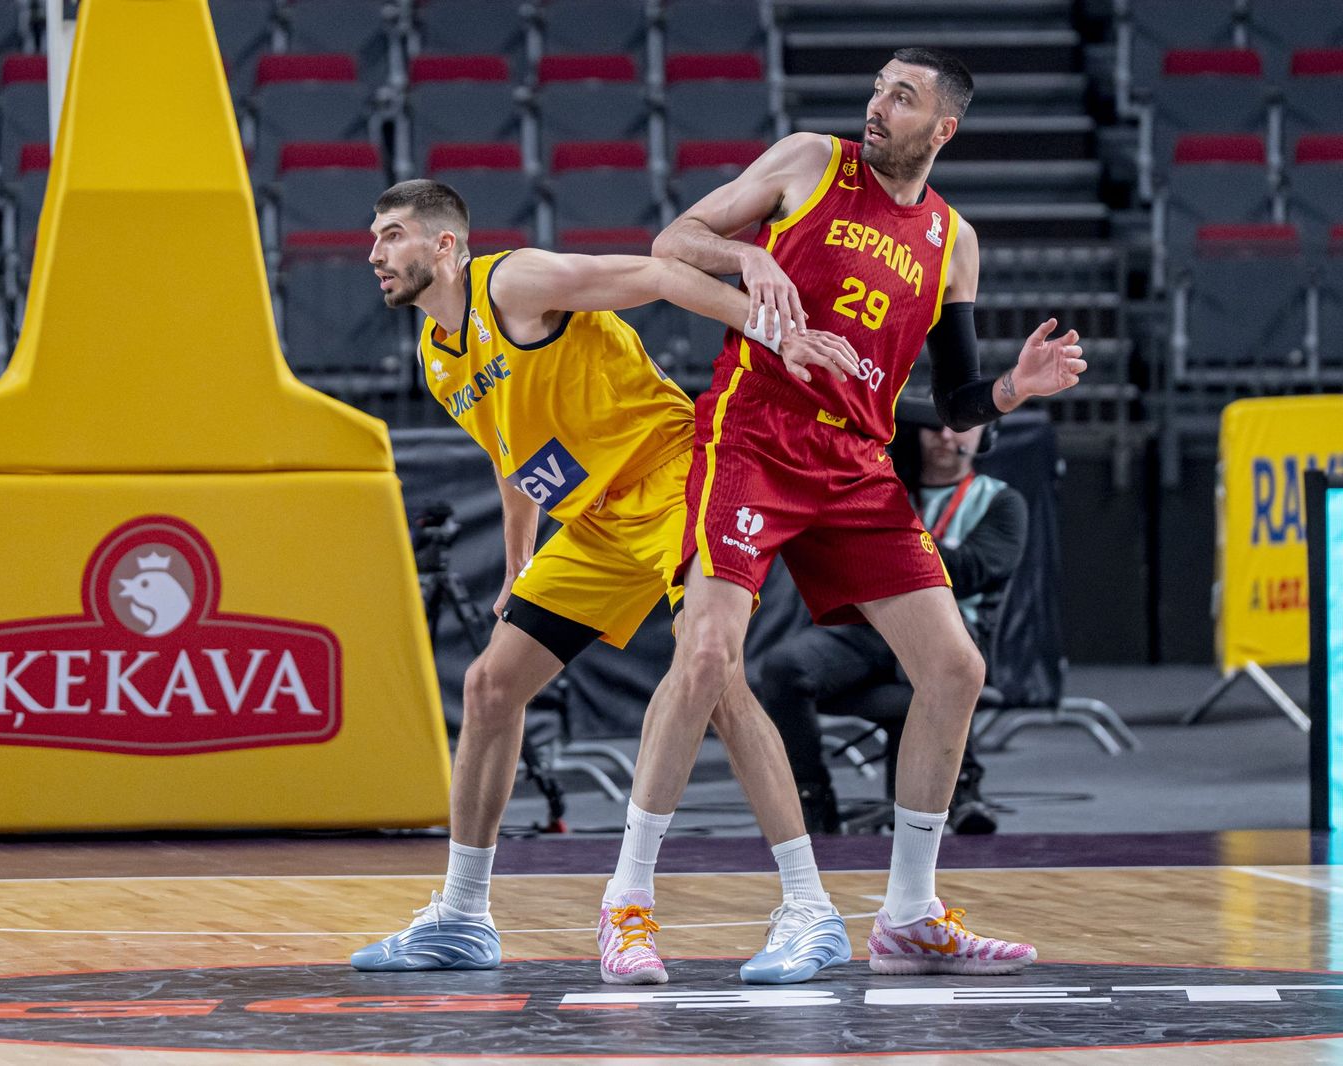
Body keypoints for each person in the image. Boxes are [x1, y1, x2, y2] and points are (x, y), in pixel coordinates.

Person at [607, 46, 1087, 980]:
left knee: (955, 668)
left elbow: (952, 405)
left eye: (900, 98)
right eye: (875, 89)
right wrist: (749, 256)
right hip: (751, 438)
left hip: (856, 467)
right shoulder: (807, 162)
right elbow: (673, 244)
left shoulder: (954, 241)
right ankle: (627, 903)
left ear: (942, 128)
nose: (878, 107)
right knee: (707, 655)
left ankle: (909, 915)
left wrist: (1012, 391)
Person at [350, 180, 862, 985]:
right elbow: (511, 450)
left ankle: (809, 907)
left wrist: (772, 330)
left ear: (445, 247)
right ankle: (461, 916)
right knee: (489, 687)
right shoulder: (435, 357)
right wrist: (519, 556)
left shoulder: (512, 284)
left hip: (673, 484)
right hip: (594, 525)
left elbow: (657, 275)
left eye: (391, 236)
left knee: (716, 678)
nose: (374, 254)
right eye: (374, 239)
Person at [759, 400, 1028, 836]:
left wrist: (887, 545)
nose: (945, 436)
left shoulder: (1001, 502)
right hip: (870, 627)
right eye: (933, 428)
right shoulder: (882, 489)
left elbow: (974, 569)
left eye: (959, 428)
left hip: (950, 630)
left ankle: (962, 790)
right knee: (784, 668)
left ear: (984, 437)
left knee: (935, 669)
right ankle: (811, 800)